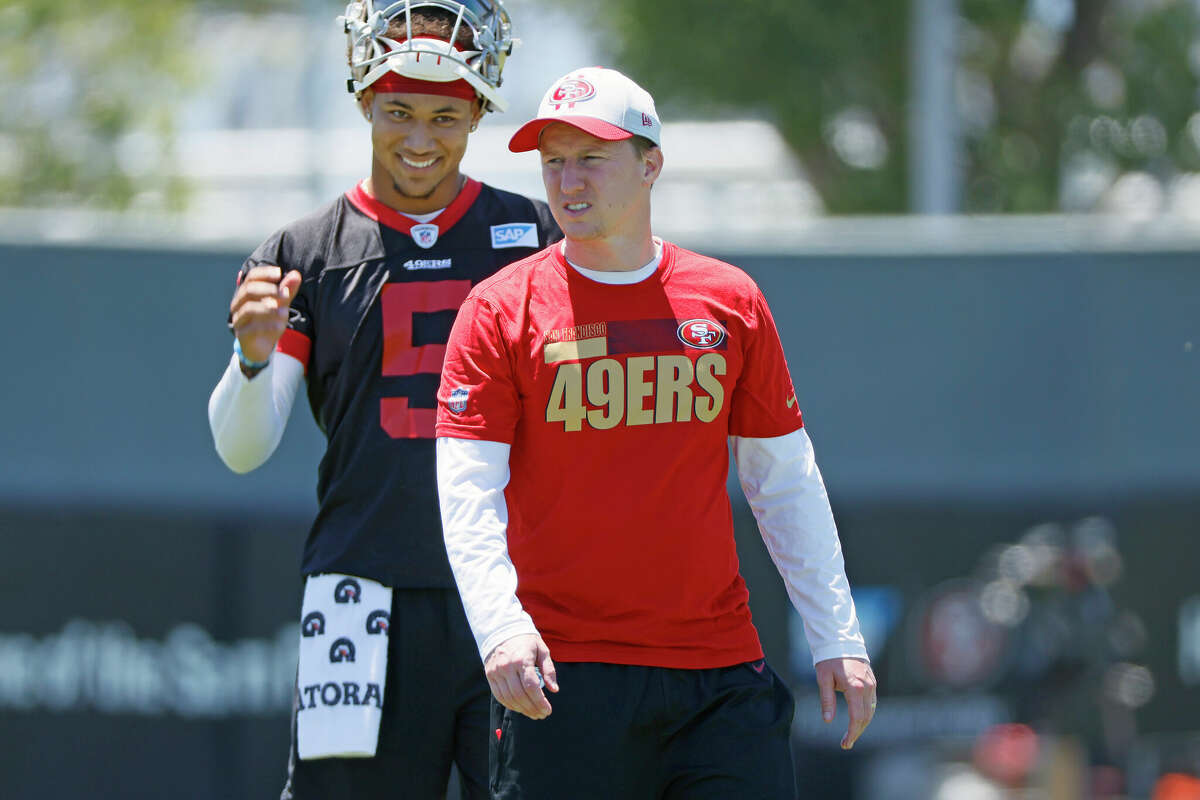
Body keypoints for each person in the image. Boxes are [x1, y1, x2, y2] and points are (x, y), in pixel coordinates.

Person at [434, 66, 876, 799]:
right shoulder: (497, 311)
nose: (568, 181)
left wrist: (838, 636)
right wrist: (501, 630)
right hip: (560, 677)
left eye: (591, 158)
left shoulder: (731, 301)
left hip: (719, 678)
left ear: (650, 165)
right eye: (553, 162)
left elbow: (784, 481)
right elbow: (467, 491)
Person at [206, 2, 560, 798]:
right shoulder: (304, 251)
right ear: (364, 101)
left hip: (511, 594)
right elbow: (241, 448)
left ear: (478, 112)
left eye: (446, 115)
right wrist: (253, 358)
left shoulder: (536, 237)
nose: (421, 138)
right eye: (399, 111)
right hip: (357, 588)